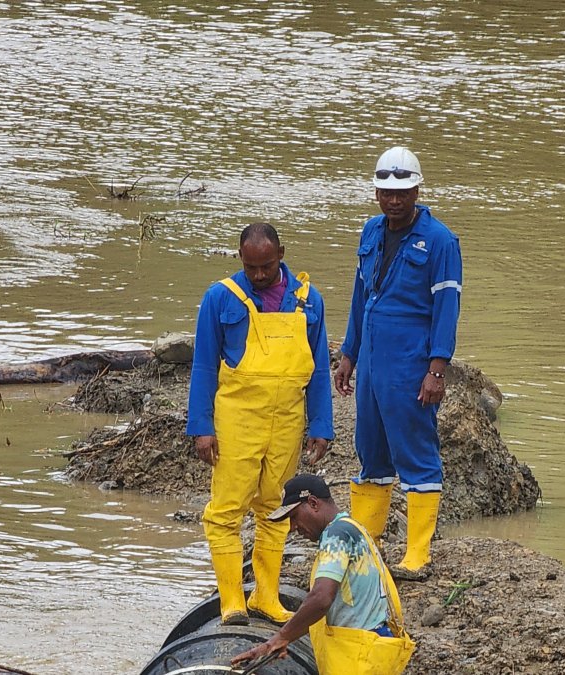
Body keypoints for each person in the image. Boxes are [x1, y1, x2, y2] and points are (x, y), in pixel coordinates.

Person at [187, 223, 333, 626]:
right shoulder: (221, 298)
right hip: (237, 418)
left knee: (276, 506)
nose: (258, 275)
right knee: (226, 511)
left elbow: (319, 368)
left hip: (287, 418)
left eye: (266, 266)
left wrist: (321, 423)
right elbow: (202, 366)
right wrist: (202, 426)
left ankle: (266, 596)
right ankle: (232, 600)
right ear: (241, 259)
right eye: (251, 267)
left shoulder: (308, 300)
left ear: (281, 254)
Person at [332, 146, 462, 579]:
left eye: (402, 191)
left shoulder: (440, 241)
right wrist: (349, 353)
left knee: (416, 452)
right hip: (370, 359)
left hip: (410, 363)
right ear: (375, 192)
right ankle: (366, 546)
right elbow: (359, 299)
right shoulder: (370, 232)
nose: (394, 199)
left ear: (417, 189)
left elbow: (446, 308)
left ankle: (418, 553)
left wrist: (436, 369)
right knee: (370, 451)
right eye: (386, 191)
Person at [230, 474, 415, 674]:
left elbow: (321, 597)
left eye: (294, 517)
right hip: (374, 646)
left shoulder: (336, 535)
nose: (292, 528)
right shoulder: (354, 528)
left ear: (313, 503)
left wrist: (279, 638)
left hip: (357, 655)